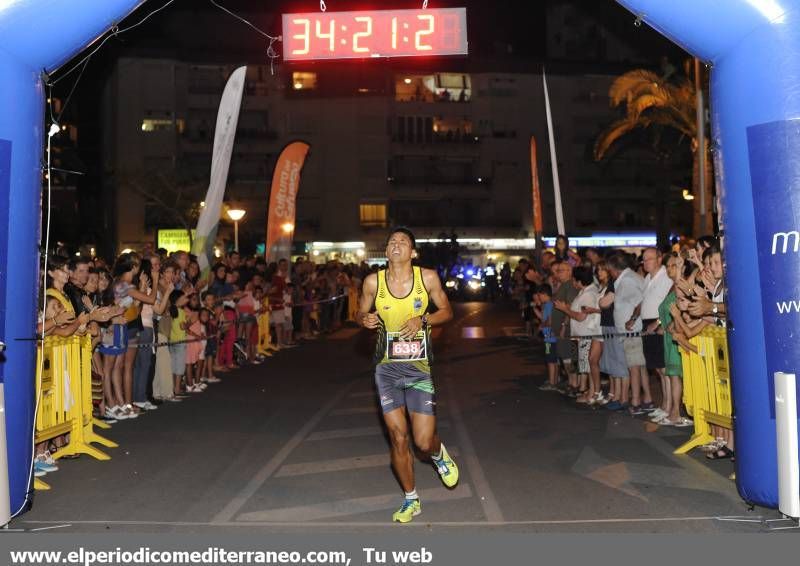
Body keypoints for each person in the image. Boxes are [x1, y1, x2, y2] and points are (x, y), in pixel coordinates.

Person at [357, 227, 458, 523]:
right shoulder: (372, 282)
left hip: (418, 368)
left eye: (403, 241)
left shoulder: (426, 278)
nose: (396, 244)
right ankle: (411, 499)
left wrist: (424, 319)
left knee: (423, 442)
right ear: (386, 251)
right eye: (392, 241)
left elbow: (448, 312)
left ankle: (439, 457)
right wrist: (364, 319)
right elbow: (359, 313)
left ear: (412, 251)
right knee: (398, 437)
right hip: (386, 369)